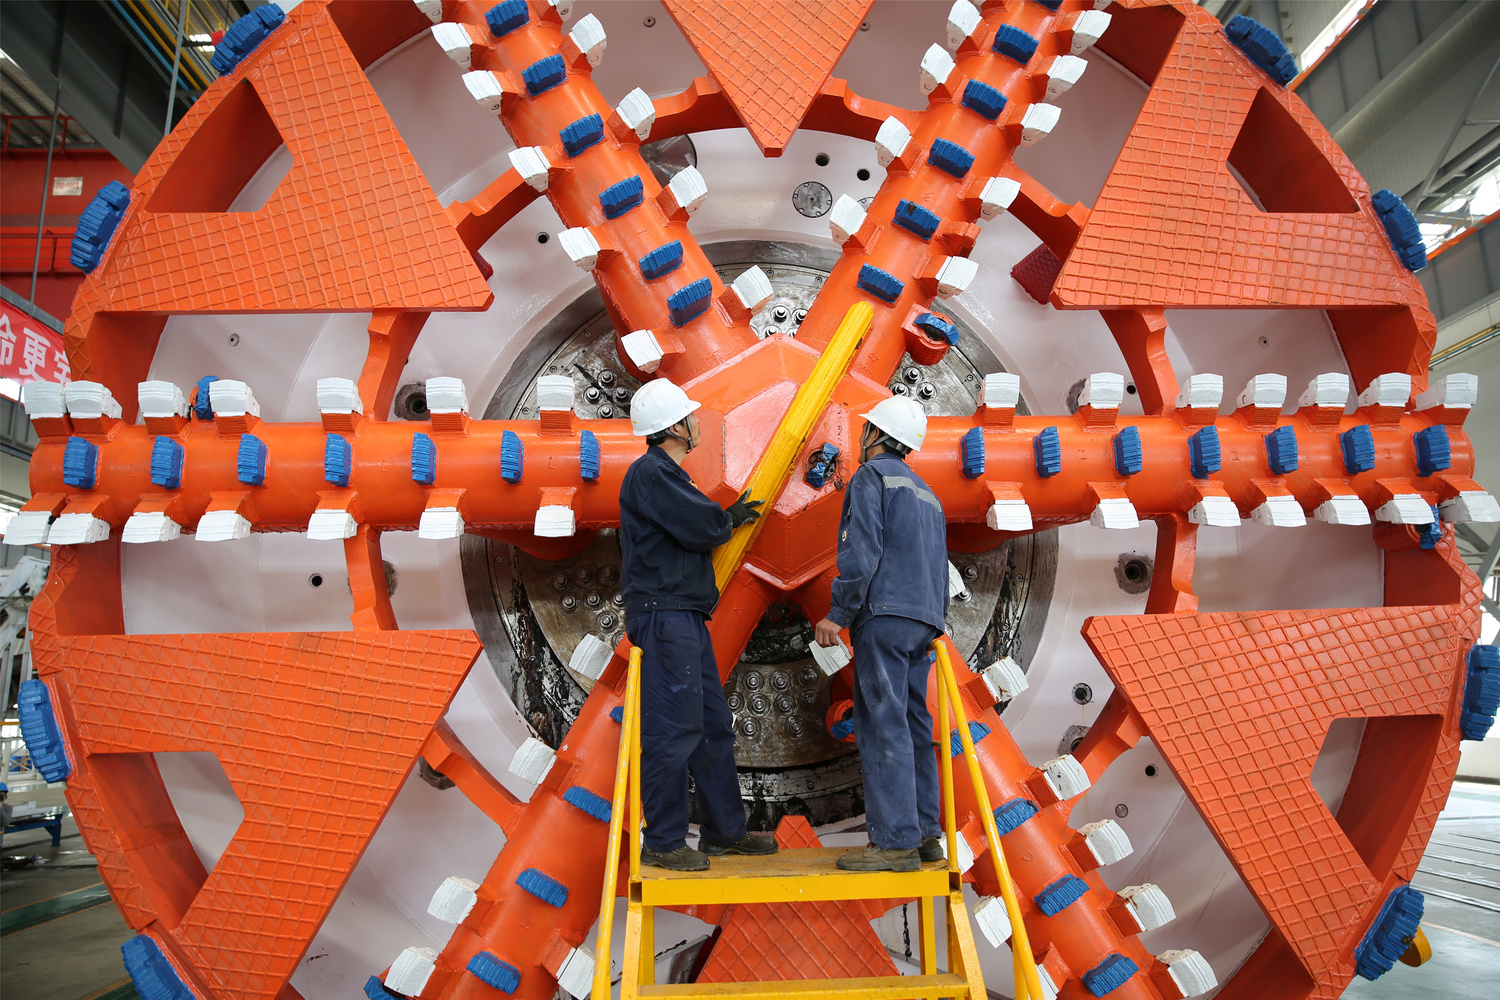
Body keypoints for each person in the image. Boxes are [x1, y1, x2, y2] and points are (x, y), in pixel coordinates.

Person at [620, 378, 778, 871]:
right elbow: (701, 526)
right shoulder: (652, 473)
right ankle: (664, 842)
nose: (696, 423)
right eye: (689, 417)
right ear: (674, 427)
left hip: (684, 616)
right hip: (666, 617)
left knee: (712, 726)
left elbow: (695, 523)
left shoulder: (667, 475)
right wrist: (724, 519)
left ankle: (724, 833)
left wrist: (719, 517)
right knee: (675, 729)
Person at [814, 396, 949, 872]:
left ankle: (893, 842)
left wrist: (839, 613)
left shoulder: (871, 478)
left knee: (882, 722)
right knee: (915, 724)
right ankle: (927, 834)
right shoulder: (927, 492)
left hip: (885, 616)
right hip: (925, 620)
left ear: (876, 435)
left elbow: (861, 552)